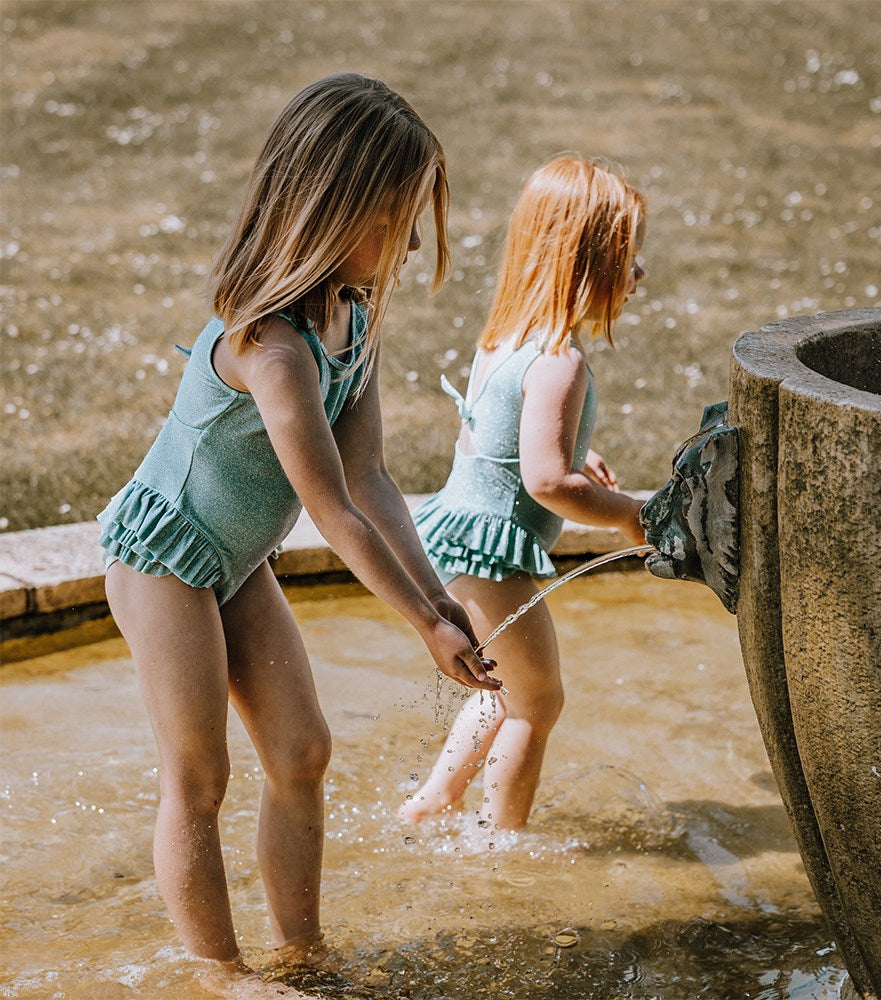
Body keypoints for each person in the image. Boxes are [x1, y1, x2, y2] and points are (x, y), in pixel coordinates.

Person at [97, 73, 500, 988]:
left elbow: (374, 479)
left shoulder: (352, 323)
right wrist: (426, 629)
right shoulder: (270, 346)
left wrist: (442, 597)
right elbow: (331, 510)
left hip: (233, 563)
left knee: (302, 751)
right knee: (199, 776)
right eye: (394, 218)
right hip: (164, 556)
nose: (405, 244)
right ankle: (220, 972)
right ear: (332, 208)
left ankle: (302, 951)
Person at [398, 155, 648, 832]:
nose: (639, 274)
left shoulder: (506, 336)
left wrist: (572, 449)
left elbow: (493, 431)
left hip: (455, 532)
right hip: (494, 554)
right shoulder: (559, 359)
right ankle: (498, 841)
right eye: (628, 257)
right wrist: (629, 517)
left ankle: (434, 801)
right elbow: (544, 482)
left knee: (503, 685)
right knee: (538, 703)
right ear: (587, 261)